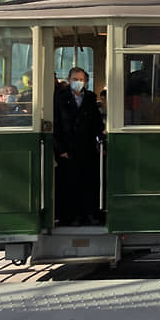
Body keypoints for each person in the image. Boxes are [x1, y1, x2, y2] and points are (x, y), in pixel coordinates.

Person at [54, 67, 104, 226]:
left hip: (88, 148)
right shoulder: (59, 98)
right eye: (75, 79)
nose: (78, 82)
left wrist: (100, 140)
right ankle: (71, 217)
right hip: (68, 149)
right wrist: (61, 150)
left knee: (89, 183)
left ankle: (90, 214)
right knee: (69, 185)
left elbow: (96, 122)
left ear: (86, 81)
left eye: (81, 79)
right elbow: (55, 125)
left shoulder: (90, 98)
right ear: (69, 80)